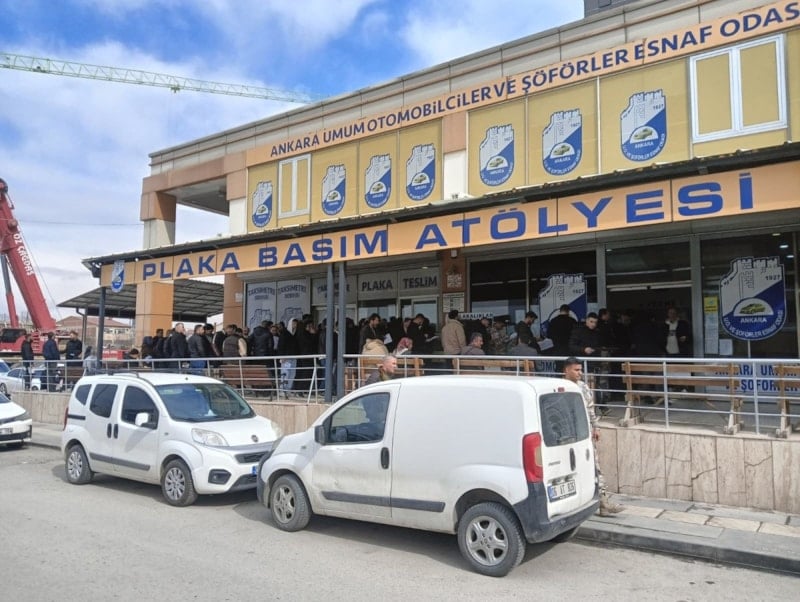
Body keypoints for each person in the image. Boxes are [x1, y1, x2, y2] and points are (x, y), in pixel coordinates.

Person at [563, 356, 624, 517]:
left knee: (595, 467)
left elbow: (590, 408)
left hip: (583, 433)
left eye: (580, 370)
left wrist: (595, 426)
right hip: (566, 437)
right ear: (566, 370)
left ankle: (603, 503)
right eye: (576, 370)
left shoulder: (582, 387)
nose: (580, 373)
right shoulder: (560, 387)